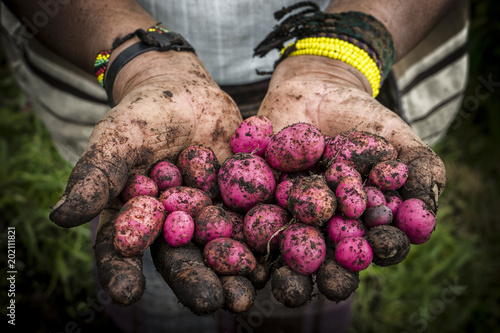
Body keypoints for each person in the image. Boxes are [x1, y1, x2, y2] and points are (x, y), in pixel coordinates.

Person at [1, 0, 469, 332]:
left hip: (327, 82)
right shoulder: (190, 187)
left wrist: (339, 59)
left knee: (300, 295)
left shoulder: (311, 177)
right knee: (156, 281)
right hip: (142, 91)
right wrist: (138, 65)